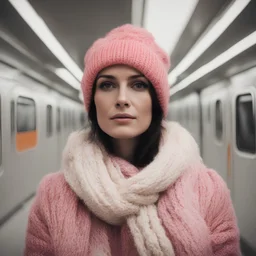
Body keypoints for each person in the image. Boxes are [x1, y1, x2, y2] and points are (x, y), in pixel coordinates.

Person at [24, 24, 241, 256]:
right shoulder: (54, 195)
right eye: (107, 85)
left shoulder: (206, 190)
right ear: (93, 101)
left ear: (155, 100)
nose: (122, 99)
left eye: (138, 85)